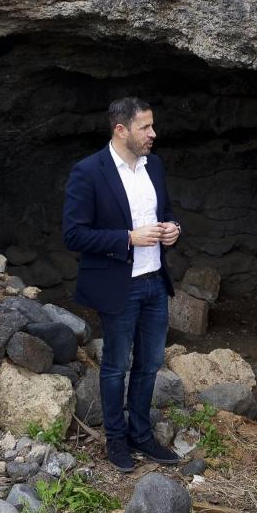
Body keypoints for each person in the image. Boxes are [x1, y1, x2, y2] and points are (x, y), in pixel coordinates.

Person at [63, 97, 183, 472]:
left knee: (149, 364)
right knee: (116, 366)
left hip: (155, 282)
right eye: (145, 127)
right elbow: (74, 235)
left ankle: (141, 434)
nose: (153, 133)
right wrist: (128, 238)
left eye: (152, 126)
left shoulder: (156, 166)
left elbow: (166, 212)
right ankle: (116, 440)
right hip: (120, 285)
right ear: (121, 130)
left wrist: (173, 229)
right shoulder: (88, 171)